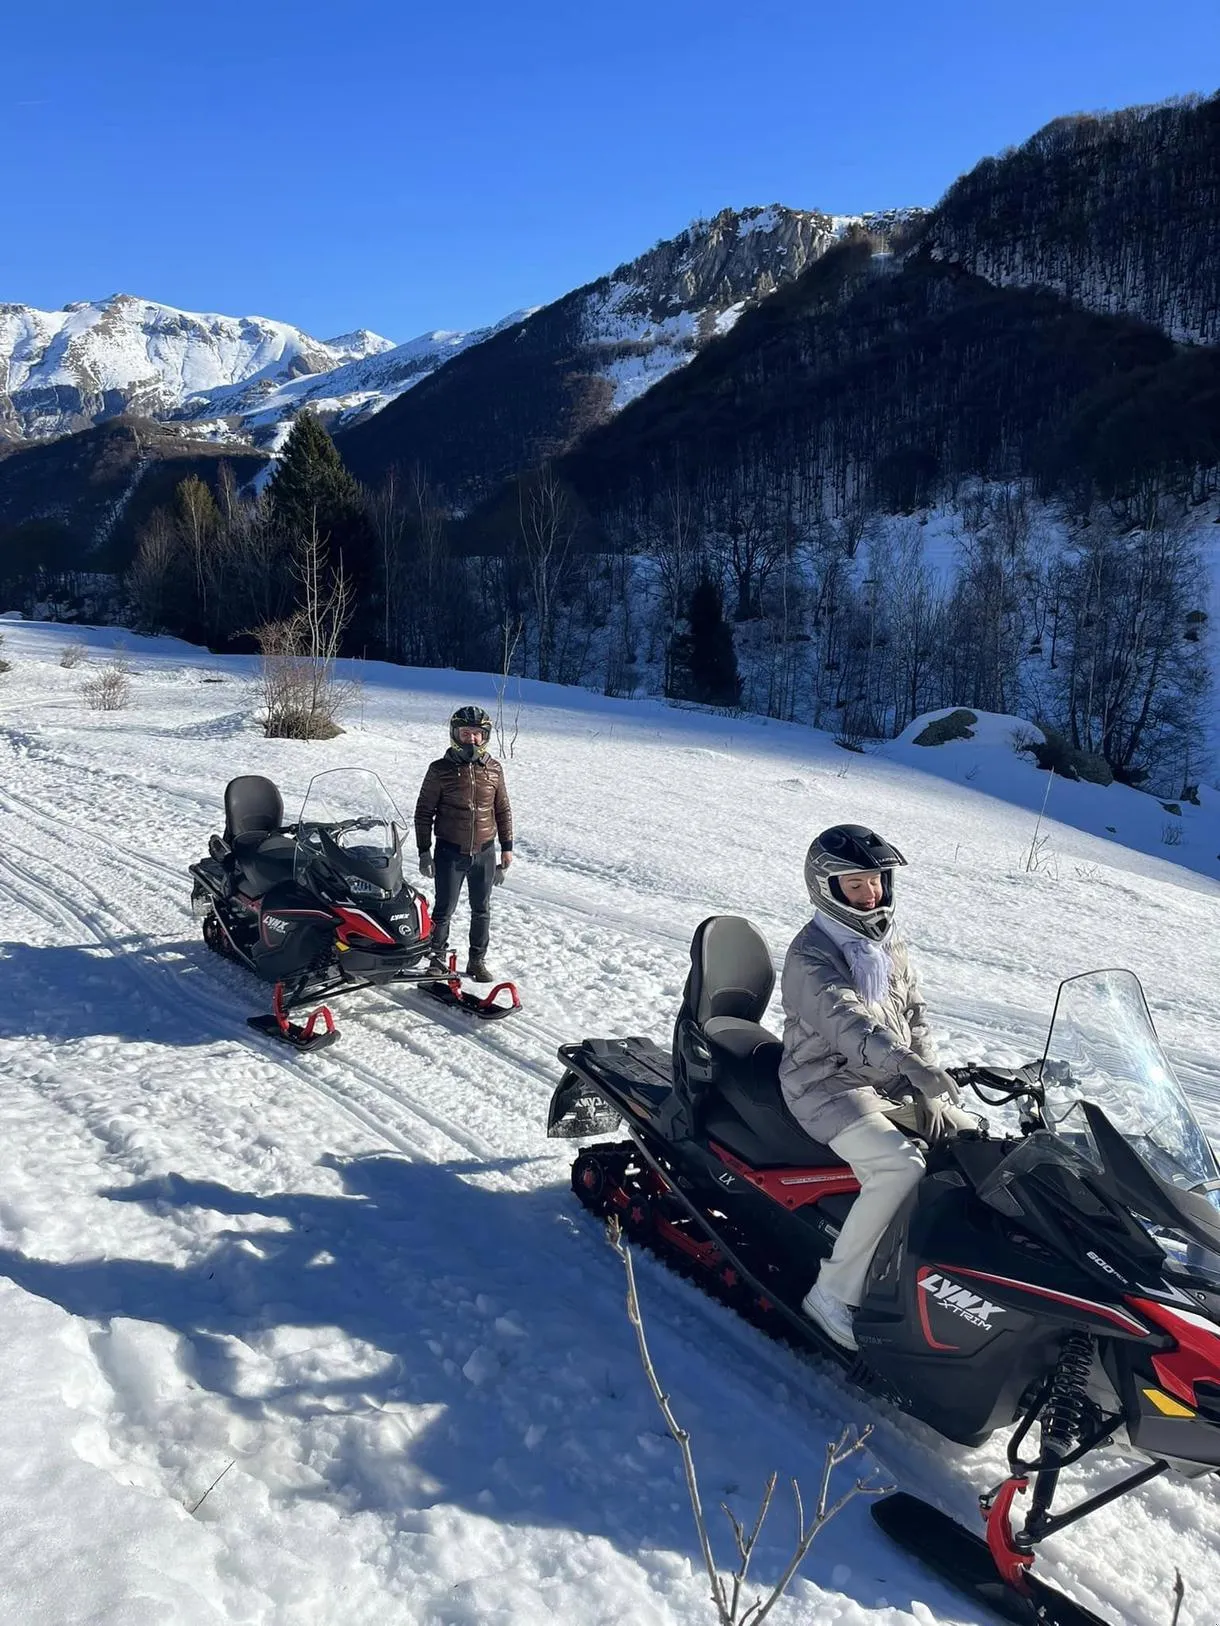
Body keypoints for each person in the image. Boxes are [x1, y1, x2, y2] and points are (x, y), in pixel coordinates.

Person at [779, 824, 977, 1351]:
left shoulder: (886, 943)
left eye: (876, 881)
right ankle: (831, 1292)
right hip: (825, 1085)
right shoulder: (811, 954)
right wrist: (911, 1068)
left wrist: (927, 1076)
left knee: (974, 1142)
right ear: (827, 888)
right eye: (855, 885)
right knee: (899, 1167)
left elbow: (914, 1014)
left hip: (888, 1079)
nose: (871, 894)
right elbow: (849, 1024)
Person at [414, 705, 514, 982]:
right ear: (455, 734)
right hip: (450, 850)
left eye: (477, 734)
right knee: (444, 909)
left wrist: (507, 848)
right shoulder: (440, 770)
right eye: (465, 733)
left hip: (484, 851)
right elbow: (423, 812)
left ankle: (477, 961)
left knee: (482, 909)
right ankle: (436, 959)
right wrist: (424, 851)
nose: (471, 739)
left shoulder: (494, 769)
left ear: (485, 736)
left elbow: (503, 810)